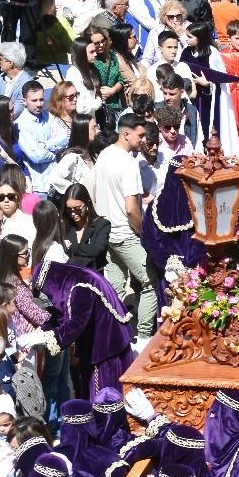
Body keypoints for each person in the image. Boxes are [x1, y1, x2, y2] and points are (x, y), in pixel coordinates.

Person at [92, 114, 158, 344]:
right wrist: (144, 233)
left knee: (115, 288)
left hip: (107, 232)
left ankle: (116, 335)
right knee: (151, 283)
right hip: (125, 234)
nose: (143, 140)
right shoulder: (129, 164)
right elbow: (131, 209)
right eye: (140, 135)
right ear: (125, 134)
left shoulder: (104, 155)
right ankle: (144, 337)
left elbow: (95, 192)